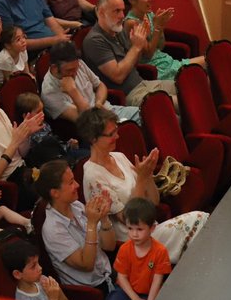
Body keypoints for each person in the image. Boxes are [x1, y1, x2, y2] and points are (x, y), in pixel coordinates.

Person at [78, 108, 207, 263]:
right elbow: (130, 218)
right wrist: (140, 179)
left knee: (201, 226)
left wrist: (148, 177)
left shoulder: (118, 157)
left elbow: (153, 201)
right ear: (93, 139)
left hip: (150, 226)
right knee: (199, 219)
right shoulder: (93, 175)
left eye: (116, 131)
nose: (117, 136)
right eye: (111, 134)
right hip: (134, 240)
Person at [82, 0, 178, 109]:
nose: (122, 16)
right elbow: (118, 76)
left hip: (144, 84)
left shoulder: (118, 30)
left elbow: (134, 64)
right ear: (101, 12)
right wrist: (136, 47)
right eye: (117, 11)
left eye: (123, 11)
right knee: (182, 102)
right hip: (130, 95)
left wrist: (139, 44)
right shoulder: (94, 40)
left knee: (188, 88)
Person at [36, 160, 115, 291]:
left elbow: (109, 246)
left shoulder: (76, 206)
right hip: (91, 292)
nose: (77, 185)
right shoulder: (53, 229)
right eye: (71, 182)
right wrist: (92, 224)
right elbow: (87, 264)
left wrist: (105, 217)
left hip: (109, 275)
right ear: (55, 193)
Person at [41, 41, 140, 127]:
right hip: (95, 128)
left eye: (76, 68)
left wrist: (99, 103)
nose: (75, 73)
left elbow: (100, 85)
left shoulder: (78, 64)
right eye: (70, 70)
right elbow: (88, 120)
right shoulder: (49, 94)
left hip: (109, 110)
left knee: (146, 113)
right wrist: (73, 91)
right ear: (54, 68)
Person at [121, 0, 206, 79]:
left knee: (210, 62)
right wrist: (157, 27)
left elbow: (160, 46)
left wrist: (161, 26)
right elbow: (148, 54)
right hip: (155, 69)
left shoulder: (148, 14)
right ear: (131, 0)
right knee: (208, 63)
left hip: (166, 61)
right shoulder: (132, 23)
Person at [106, 198, 171, 300]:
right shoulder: (124, 249)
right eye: (130, 228)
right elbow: (121, 277)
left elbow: (157, 280)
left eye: (139, 229)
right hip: (126, 291)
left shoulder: (160, 251)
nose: (134, 234)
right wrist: (136, 299)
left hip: (150, 293)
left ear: (152, 228)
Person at [0, 238, 69, 300]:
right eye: (33, 266)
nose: (40, 268)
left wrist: (58, 291)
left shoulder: (43, 280)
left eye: (38, 263)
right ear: (17, 274)